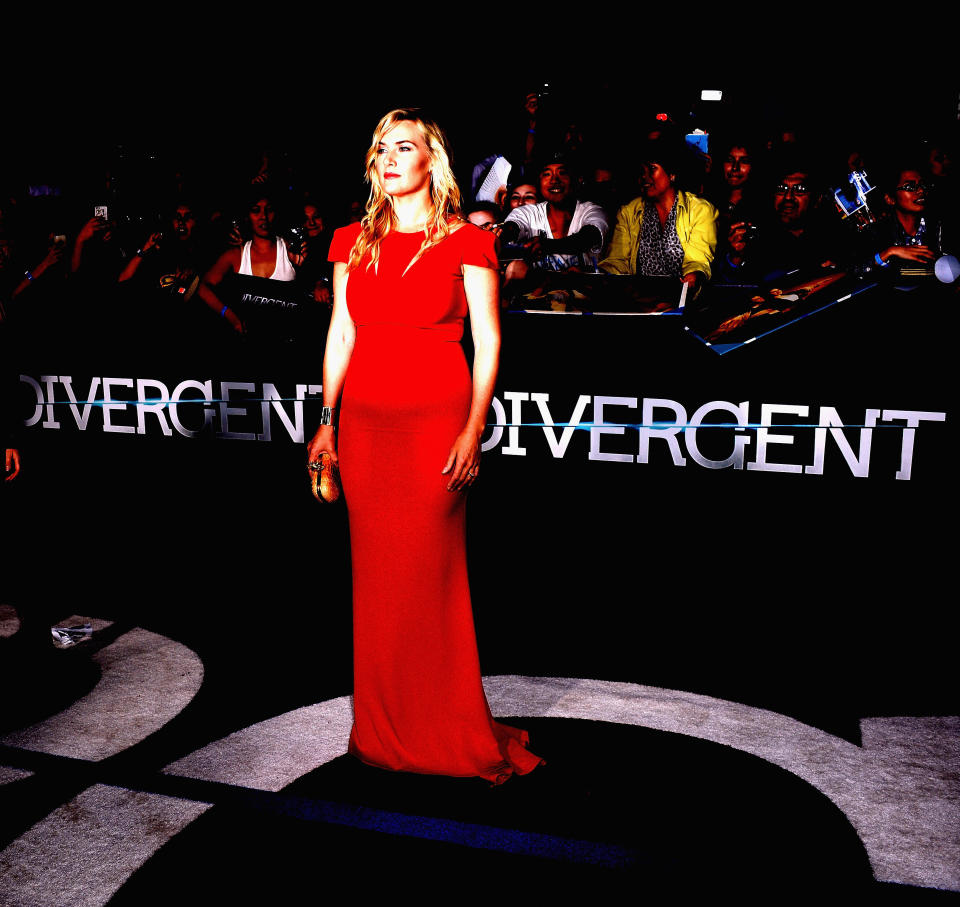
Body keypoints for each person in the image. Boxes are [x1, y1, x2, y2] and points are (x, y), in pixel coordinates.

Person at [306, 108, 542, 784]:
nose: (388, 157)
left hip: (436, 423)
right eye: (381, 146)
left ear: (430, 161)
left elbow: (489, 341)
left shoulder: (467, 240)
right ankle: (382, 729)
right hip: (364, 425)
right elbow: (341, 335)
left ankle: (445, 724)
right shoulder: (351, 238)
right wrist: (326, 417)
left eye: (403, 147)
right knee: (376, 583)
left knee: (428, 580)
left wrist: (473, 427)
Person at [600, 138, 718, 292]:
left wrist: (693, 275)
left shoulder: (700, 210)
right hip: (638, 300)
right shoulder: (629, 212)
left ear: (672, 174)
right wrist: (600, 275)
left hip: (683, 301)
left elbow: (698, 259)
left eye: (652, 169)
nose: (645, 176)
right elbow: (617, 261)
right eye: (641, 171)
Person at [196, 188, 304, 333]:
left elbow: (311, 286)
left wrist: (305, 269)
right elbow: (203, 287)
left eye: (269, 210)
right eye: (256, 210)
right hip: (247, 339)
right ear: (247, 216)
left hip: (287, 337)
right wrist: (230, 316)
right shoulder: (236, 255)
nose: (263, 217)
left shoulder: (291, 248)